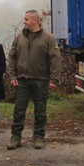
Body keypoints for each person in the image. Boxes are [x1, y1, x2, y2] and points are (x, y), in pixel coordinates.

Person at [7, 10, 61, 150]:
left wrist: (54, 79)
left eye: (26, 19)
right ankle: (15, 137)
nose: (24, 22)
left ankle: (38, 137)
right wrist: (12, 76)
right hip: (22, 80)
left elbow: (55, 59)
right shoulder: (19, 38)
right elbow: (12, 57)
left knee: (40, 111)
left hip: (41, 80)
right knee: (19, 110)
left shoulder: (49, 38)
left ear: (35, 21)